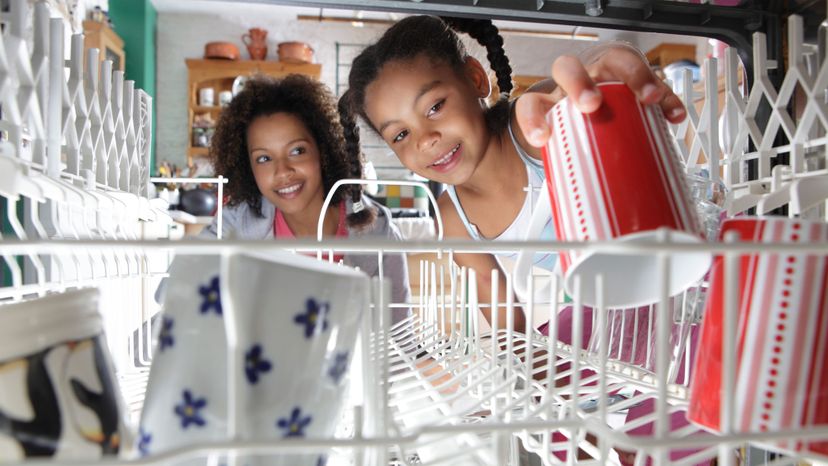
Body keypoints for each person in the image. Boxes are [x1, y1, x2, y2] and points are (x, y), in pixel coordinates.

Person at [337, 15, 686, 335]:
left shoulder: (532, 128)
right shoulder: (453, 219)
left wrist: (602, 81)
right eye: (400, 135)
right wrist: (520, 372)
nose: (426, 140)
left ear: (475, 79)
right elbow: (499, 305)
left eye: (435, 106)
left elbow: (573, 93)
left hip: (685, 278)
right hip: (616, 307)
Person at [203, 74, 410, 323]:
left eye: (297, 151)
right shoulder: (233, 225)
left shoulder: (379, 232)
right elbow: (173, 296)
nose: (282, 171)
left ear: (323, 150)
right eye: (263, 158)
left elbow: (400, 337)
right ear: (248, 168)